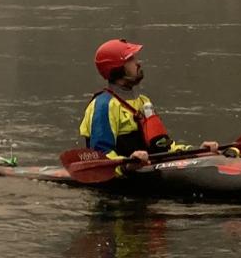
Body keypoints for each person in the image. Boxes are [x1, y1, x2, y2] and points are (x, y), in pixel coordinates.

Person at [79, 40, 219, 168]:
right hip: (125, 177)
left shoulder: (143, 101)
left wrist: (198, 151)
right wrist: (128, 165)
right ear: (117, 68)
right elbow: (101, 155)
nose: (138, 63)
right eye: (131, 59)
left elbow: (163, 146)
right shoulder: (103, 105)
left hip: (149, 168)